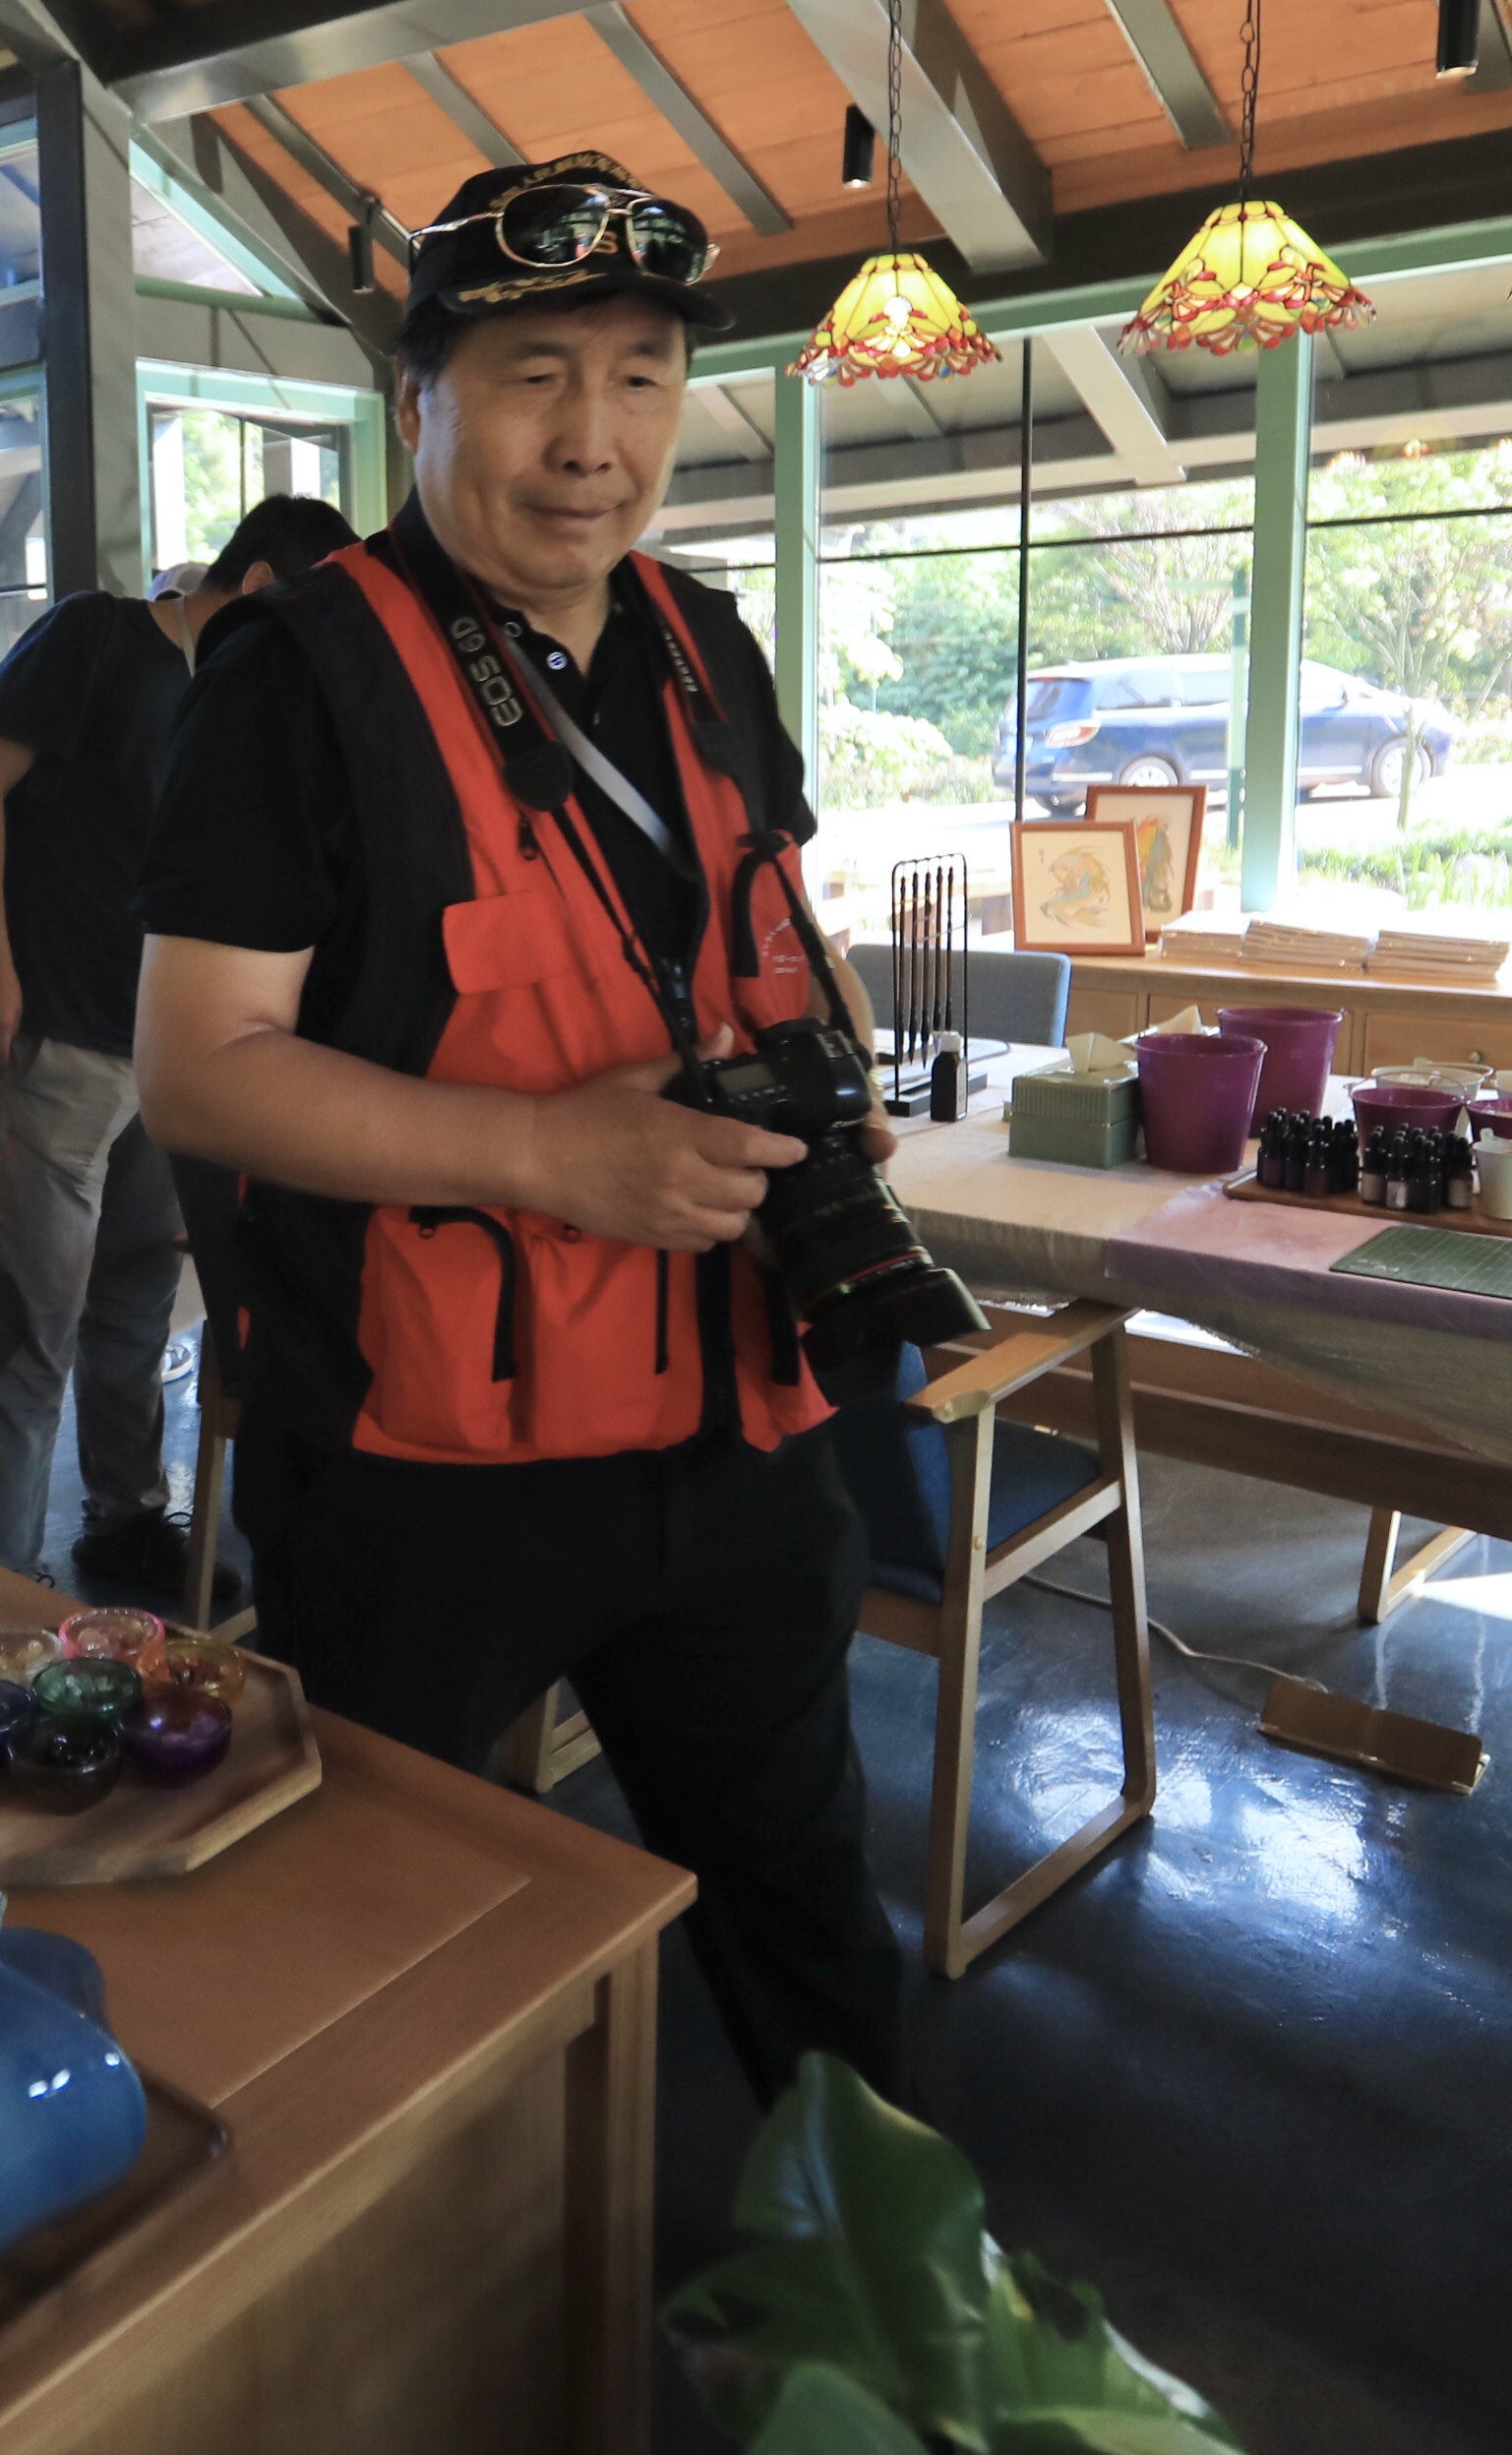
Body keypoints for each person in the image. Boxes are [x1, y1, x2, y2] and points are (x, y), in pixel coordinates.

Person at [133, 153, 909, 2104]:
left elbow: (773, 914)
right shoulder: (294, 680)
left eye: (640, 377)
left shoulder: (706, 643)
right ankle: (416, 2275)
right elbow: (197, 1069)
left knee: (813, 1929)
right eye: (536, 375)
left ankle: (892, 2273)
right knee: (381, 1961)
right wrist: (552, 1157)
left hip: (737, 1423)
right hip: (423, 1472)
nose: (592, 441)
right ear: (420, 398)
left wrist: (830, 1067)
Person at [0, 491, 359, 1602]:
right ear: (263, 584)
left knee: (134, 1302)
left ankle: (124, 1516)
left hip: (177, 1060)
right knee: (35, 1320)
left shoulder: (249, 698)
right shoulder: (96, 638)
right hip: (63, 1037)